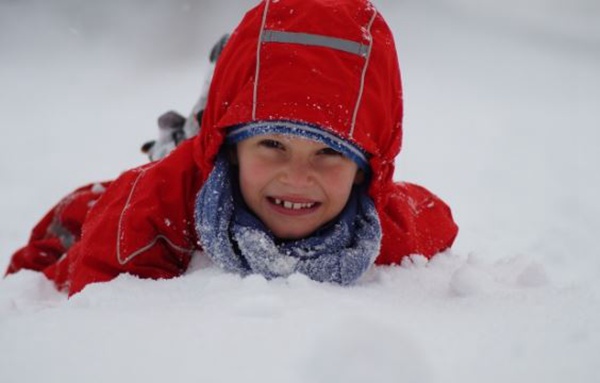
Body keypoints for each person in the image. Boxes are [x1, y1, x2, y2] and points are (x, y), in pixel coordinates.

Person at [5, 0, 458, 296]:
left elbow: (436, 219)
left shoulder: (380, 227)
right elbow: (97, 317)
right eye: (273, 143)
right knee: (87, 216)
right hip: (153, 194)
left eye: (328, 153)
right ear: (232, 150)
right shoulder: (145, 214)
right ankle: (203, 126)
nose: (297, 176)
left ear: (365, 172)